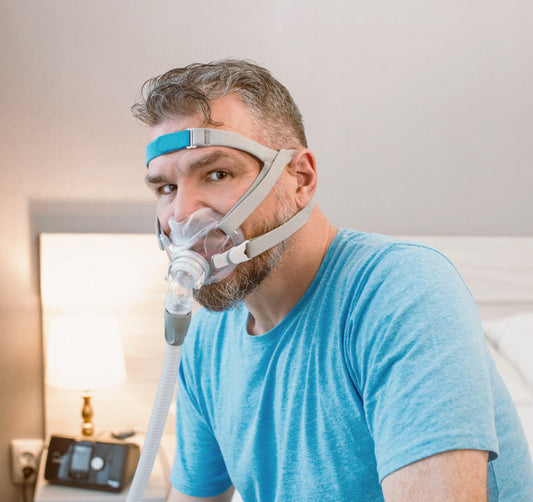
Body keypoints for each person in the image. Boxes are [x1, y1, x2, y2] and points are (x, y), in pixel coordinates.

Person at [132, 59, 533, 501]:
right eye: (165, 188)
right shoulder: (206, 338)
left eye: (217, 173)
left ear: (300, 178)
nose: (182, 215)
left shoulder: (402, 294)